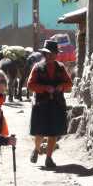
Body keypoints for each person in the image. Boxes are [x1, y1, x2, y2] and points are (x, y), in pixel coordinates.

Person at [27, 39, 73, 168]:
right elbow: (30, 85)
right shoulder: (37, 68)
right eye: (49, 53)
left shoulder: (61, 67)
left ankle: (49, 158)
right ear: (45, 54)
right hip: (41, 104)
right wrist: (45, 88)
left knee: (54, 133)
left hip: (57, 104)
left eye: (54, 53)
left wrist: (61, 87)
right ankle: (36, 149)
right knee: (39, 132)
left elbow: (69, 84)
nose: (52, 56)